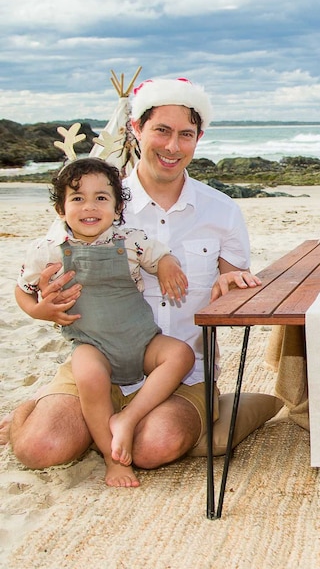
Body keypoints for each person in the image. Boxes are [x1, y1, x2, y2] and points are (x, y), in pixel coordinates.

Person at [2, 78, 261, 482]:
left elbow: (234, 281)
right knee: (40, 448)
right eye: (161, 130)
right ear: (136, 131)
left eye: (185, 135)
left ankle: (117, 426)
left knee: (152, 448)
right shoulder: (95, 199)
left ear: (199, 138)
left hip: (180, 376)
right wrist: (44, 308)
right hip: (97, 365)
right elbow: (35, 282)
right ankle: (40, 410)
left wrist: (233, 287)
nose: (173, 147)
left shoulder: (222, 211)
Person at [16, 157, 195, 487]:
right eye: (77, 198)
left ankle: (128, 418)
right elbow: (23, 290)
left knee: (180, 355)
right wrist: (37, 310)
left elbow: (159, 255)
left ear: (117, 208)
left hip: (141, 340)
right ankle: (112, 457)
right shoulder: (48, 250)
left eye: (101, 198)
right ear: (60, 209)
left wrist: (168, 264)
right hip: (91, 345)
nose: (90, 206)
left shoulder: (130, 239)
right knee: (89, 376)